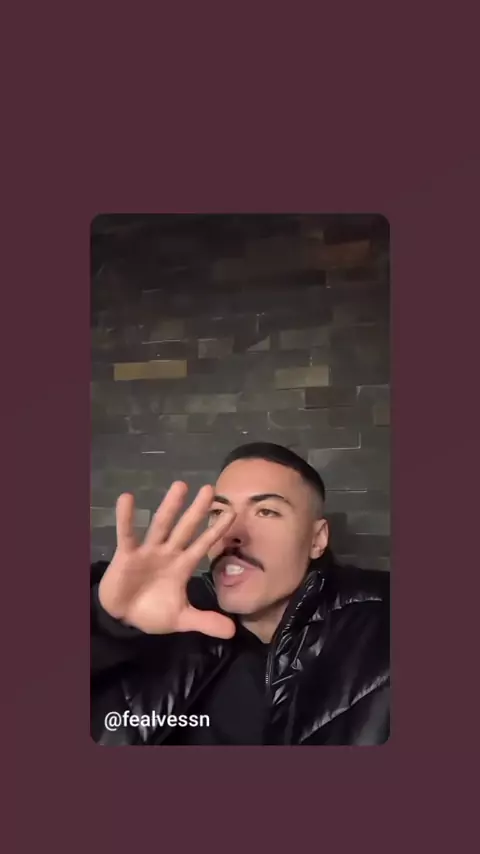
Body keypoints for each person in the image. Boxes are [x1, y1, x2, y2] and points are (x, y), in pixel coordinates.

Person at [91, 442, 390, 745]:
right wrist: (107, 625)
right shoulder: (162, 619)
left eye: (266, 511)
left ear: (317, 539)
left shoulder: (387, 621)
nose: (231, 532)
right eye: (219, 512)